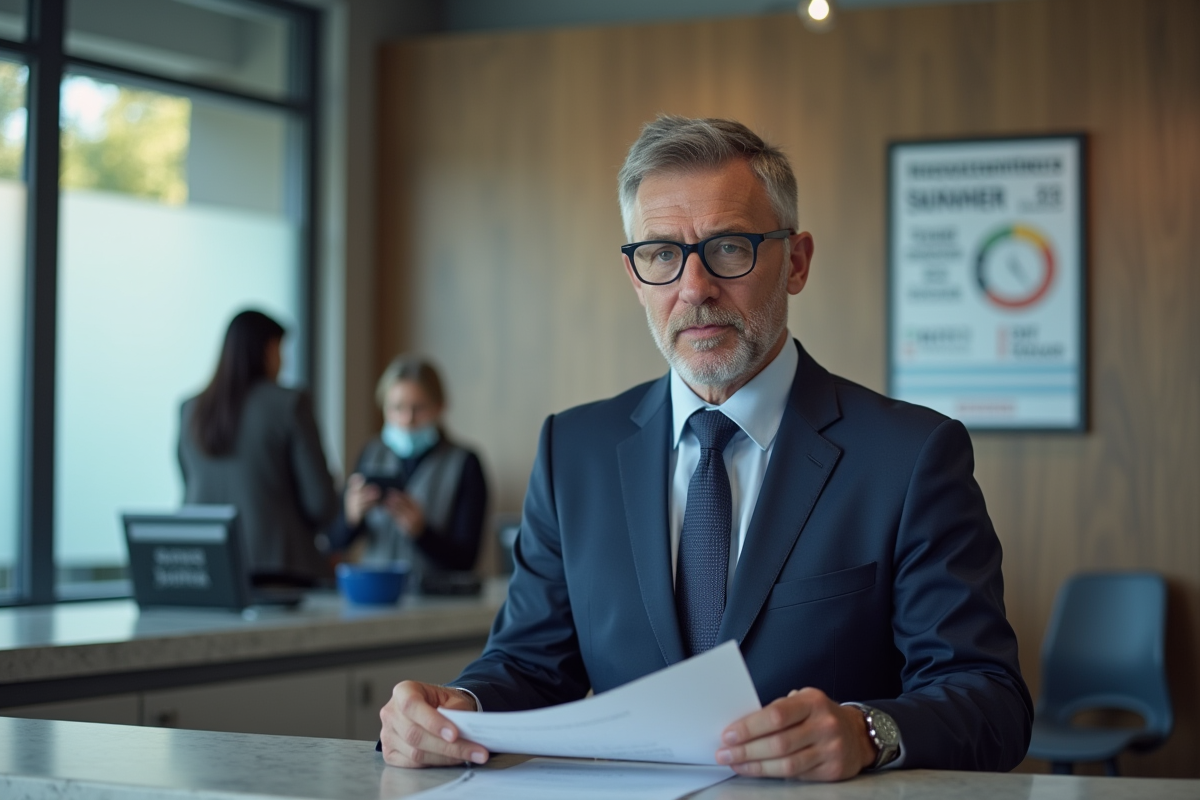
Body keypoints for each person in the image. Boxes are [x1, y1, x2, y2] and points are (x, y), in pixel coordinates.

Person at [379, 117, 1032, 780]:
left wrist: (869, 730)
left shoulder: (911, 456)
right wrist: (456, 710)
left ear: (797, 262)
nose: (694, 288)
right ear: (635, 277)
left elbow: (991, 700)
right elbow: (528, 664)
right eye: (661, 254)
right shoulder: (572, 452)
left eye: (728, 248)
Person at [178, 310, 338, 583]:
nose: (283, 361)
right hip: (279, 567)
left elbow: (189, 483)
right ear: (267, 349)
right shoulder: (289, 404)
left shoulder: (191, 409)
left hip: (204, 564)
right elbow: (320, 503)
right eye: (280, 349)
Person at [328, 356, 487, 585]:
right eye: (397, 408)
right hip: (376, 593)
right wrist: (351, 518)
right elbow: (335, 542)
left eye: (418, 408)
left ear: (439, 406)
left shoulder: (465, 463)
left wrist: (421, 532)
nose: (407, 419)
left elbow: (466, 559)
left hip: (436, 600)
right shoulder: (371, 455)